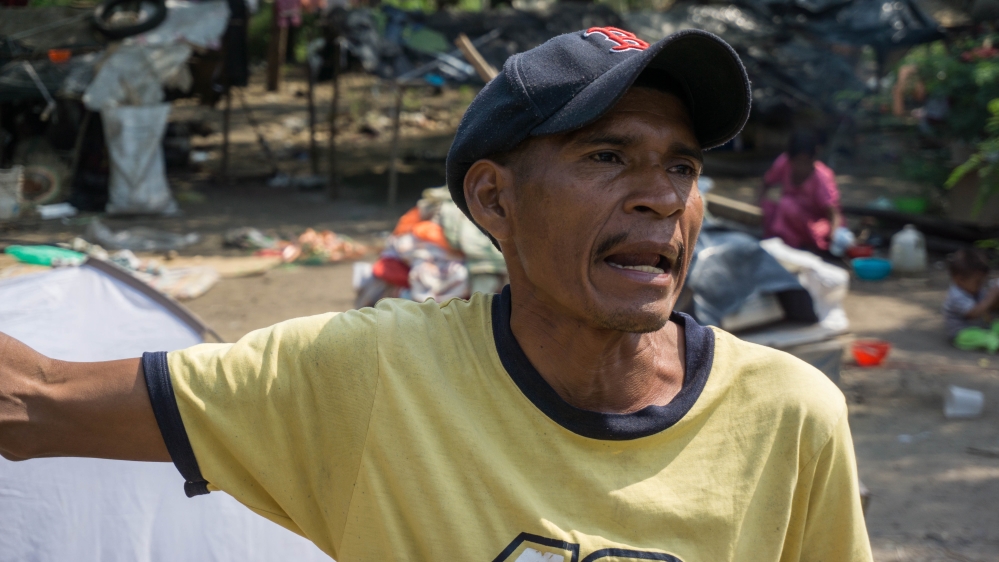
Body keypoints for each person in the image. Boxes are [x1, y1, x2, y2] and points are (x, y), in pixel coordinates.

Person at [0, 27, 872, 561]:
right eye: (606, 157)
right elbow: (36, 404)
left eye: (681, 166)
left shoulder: (787, 416)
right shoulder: (369, 376)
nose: (662, 196)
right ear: (495, 200)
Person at [759, 129, 844, 252]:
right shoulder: (783, 163)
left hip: (815, 224)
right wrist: (757, 202)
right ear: (790, 159)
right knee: (767, 207)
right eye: (798, 161)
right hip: (789, 220)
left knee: (787, 205)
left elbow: (834, 214)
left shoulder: (822, 177)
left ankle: (796, 243)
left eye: (806, 162)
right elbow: (766, 182)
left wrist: (834, 236)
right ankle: (783, 239)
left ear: (814, 159)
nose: (802, 166)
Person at [943, 248, 999, 341]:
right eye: (978, 282)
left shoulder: (976, 290)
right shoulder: (956, 296)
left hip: (981, 327)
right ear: (960, 279)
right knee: (984, 337)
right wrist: (991, 297)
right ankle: (993, 342)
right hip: (962, 332)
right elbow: (973, 313)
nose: (980, 285)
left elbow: (988, 307)